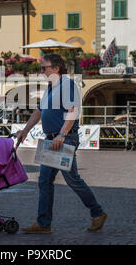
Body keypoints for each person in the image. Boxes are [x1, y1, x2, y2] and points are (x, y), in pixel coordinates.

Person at [17, 53, 107, 233]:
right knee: (44, 180)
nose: (41, 71)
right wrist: (24, 131)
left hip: (62, 139)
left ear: (56, 69)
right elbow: (39, 112)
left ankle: (97, 212)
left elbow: (72, 111)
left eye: (44, 68)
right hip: (52, 140)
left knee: (72, 179)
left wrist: (61, 135)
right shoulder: (51, 87)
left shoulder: (67, 85)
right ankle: (43, 223)